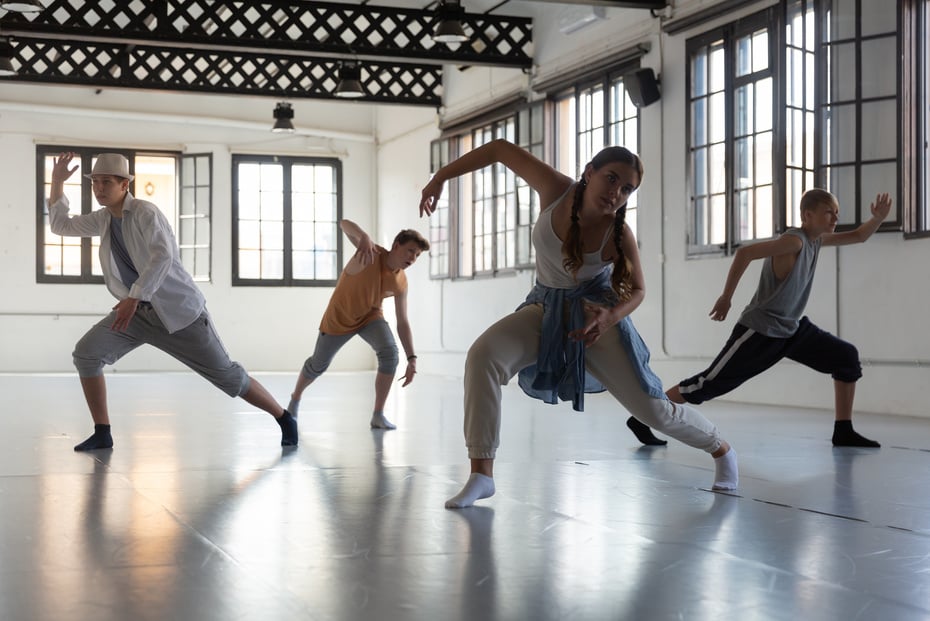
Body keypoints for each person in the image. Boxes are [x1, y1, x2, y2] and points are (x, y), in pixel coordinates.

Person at [419, 139, 738, 509]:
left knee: (653, 411)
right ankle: (481, 474)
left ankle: (722, 449)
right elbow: (499, 150)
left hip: (594, 319)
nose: (616, 193)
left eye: (627, 189)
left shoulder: (617, 232)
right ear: (589, 173)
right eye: (611, 179)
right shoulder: (556, 189)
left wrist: (610, 317)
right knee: (483, 355)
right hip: (544, 307)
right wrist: (440, 176)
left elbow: (637, 289)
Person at [47, 152, 298, 451]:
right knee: (86, 354)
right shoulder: (103, 219)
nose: (99, 188)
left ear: (125, 184)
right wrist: (57, 182)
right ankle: (103, 432)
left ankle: (284, 417)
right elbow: (61, 226)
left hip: (180, 315)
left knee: (228, 377)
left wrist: (134, 296)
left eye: (106, 182)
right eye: (95, 183)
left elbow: (162, 257)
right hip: (137, 314)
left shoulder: (145, 212)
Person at [632, 188, 892, 448]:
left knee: (845, 357)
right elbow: (745, 253)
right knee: (707, 384)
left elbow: (859, 235)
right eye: (828, 213)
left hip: (792, 330)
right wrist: (726, 297)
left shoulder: (817, 240)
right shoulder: (795, 241)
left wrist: (877, 218)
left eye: (836, 212)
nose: (835, 218)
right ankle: (644, 416)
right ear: (807, 215)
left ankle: (843, 431)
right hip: (761, 331)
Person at [287, 220, 429, 430]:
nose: (413, 258)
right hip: (339, 317)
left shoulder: (401, 282)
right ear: (396, 245)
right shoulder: (370, 253)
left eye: (417, 255)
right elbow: (343, 223)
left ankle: (378, 415)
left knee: (390, 353)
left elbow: (403, 322)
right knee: (317, 365)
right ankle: (294, 401)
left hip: (370, 316)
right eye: (410, 251)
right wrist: (363, 236)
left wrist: (412, 358)